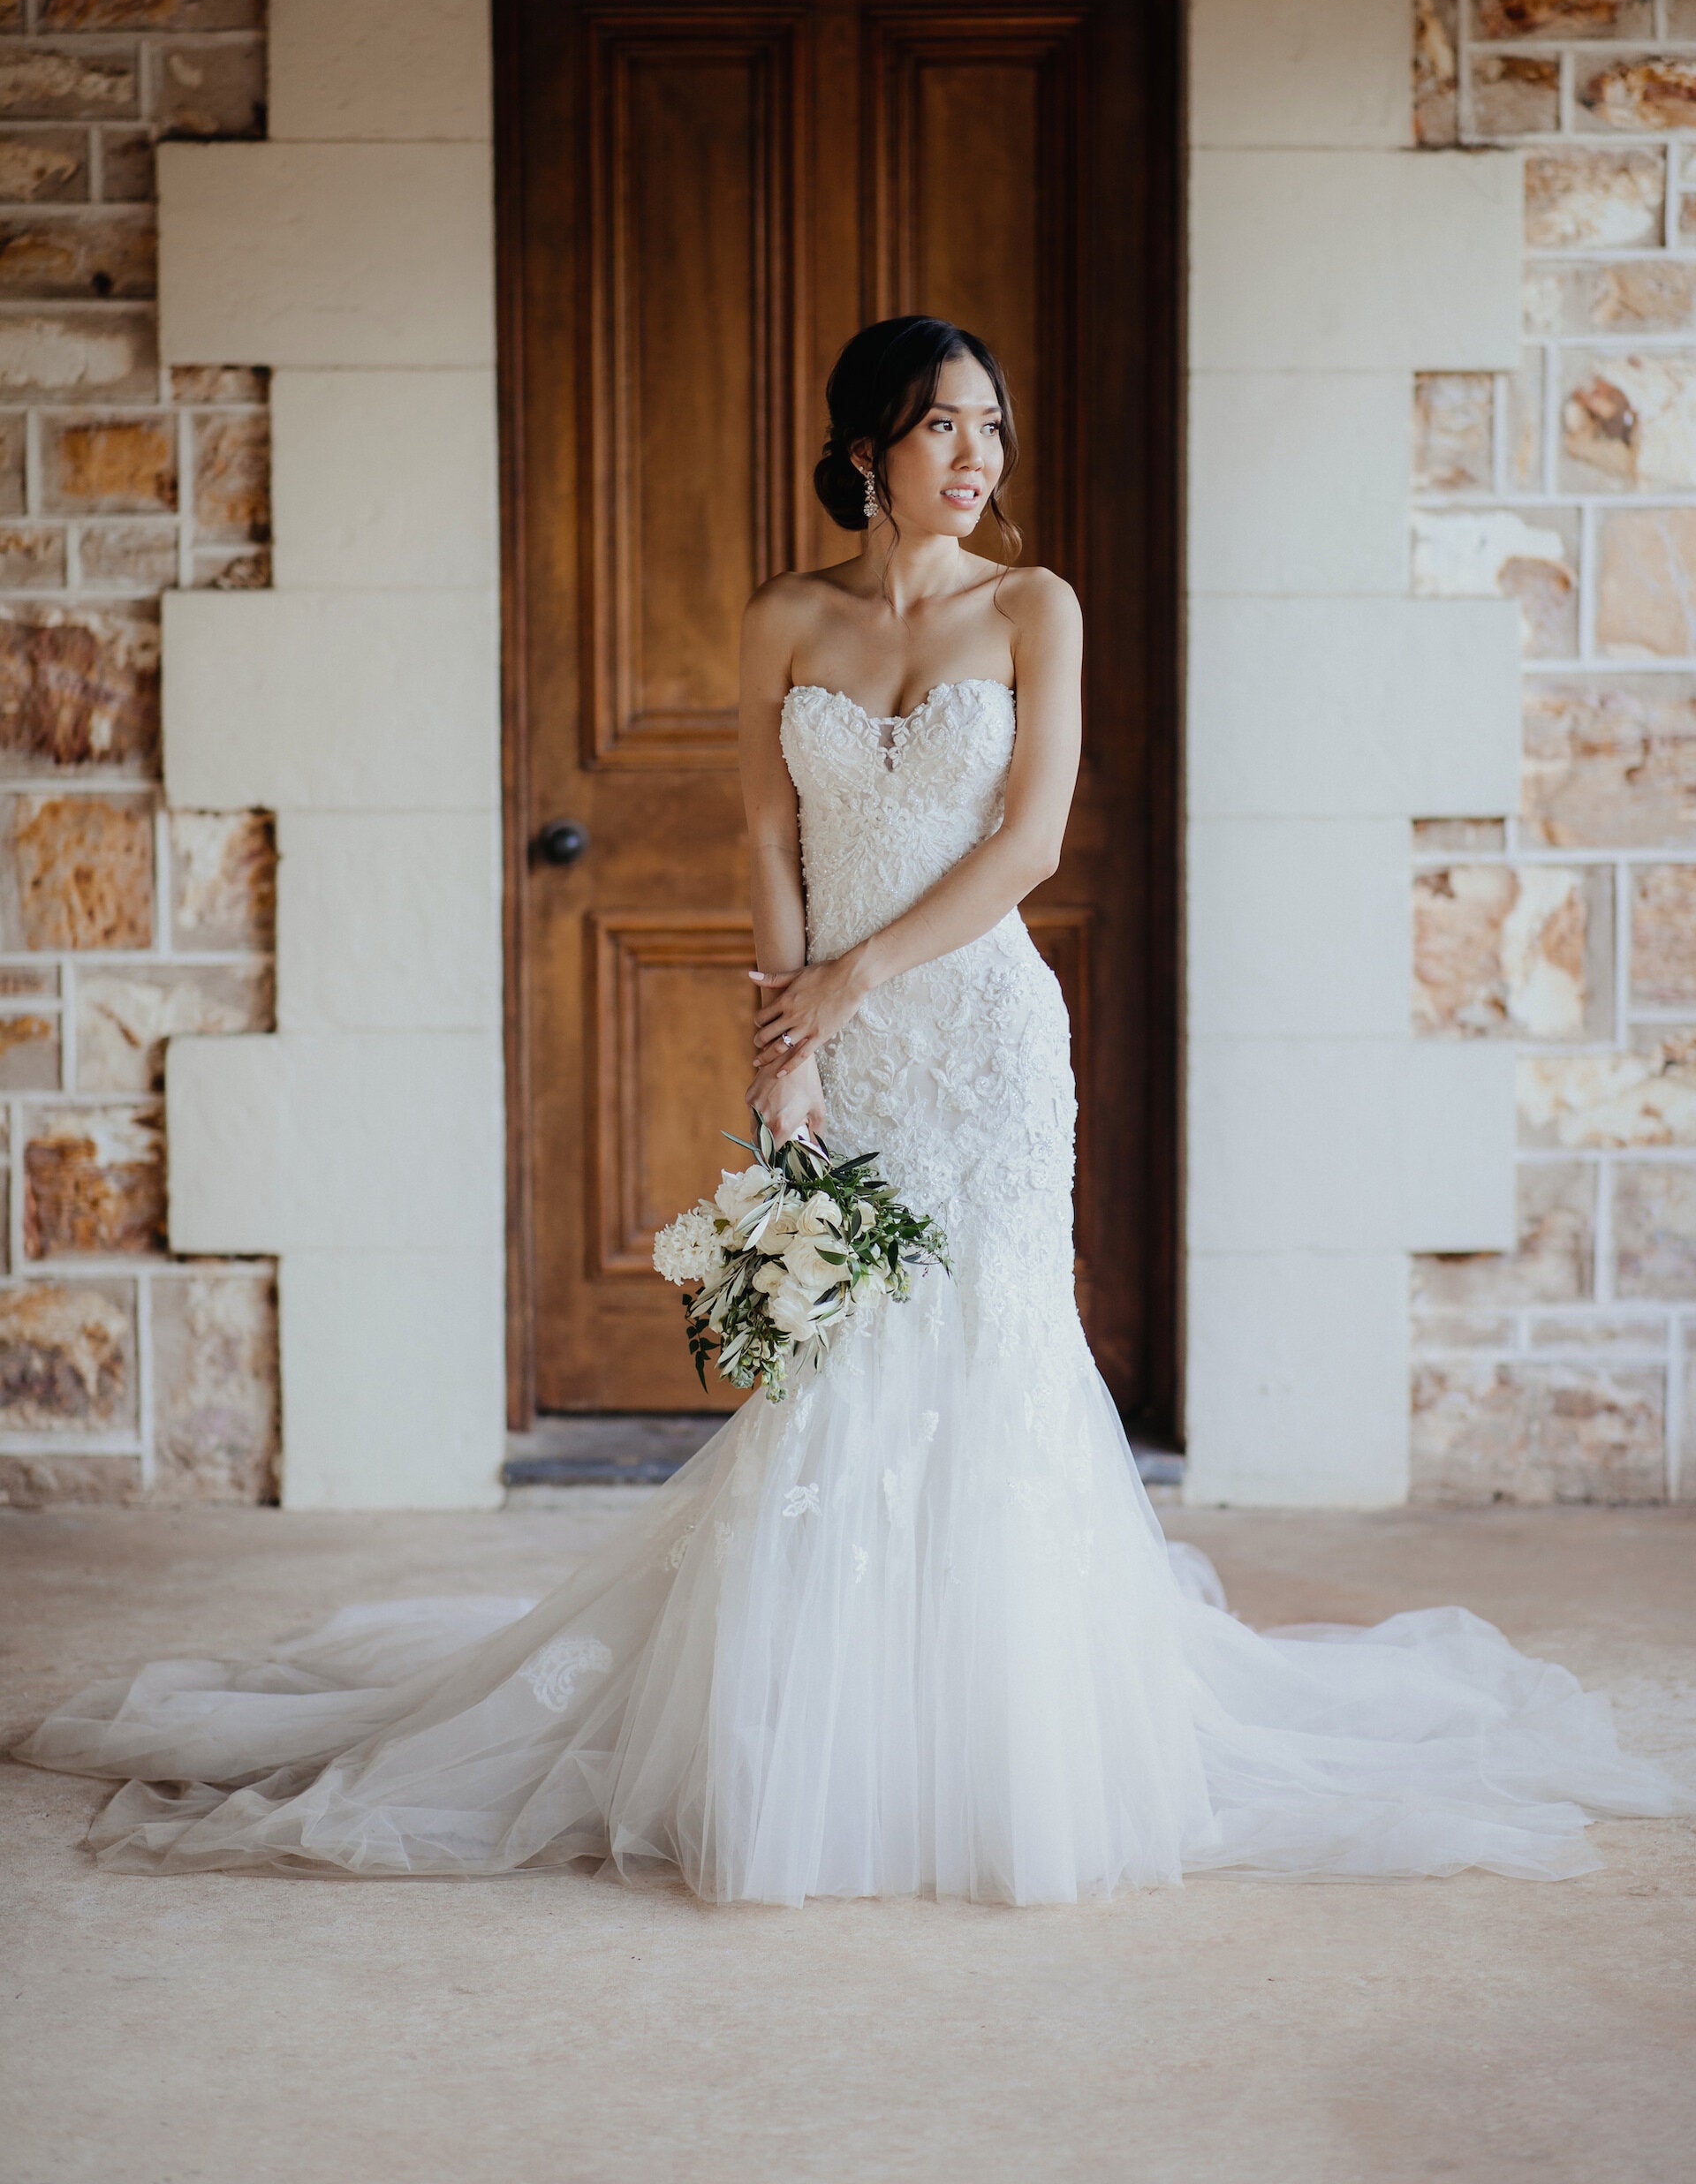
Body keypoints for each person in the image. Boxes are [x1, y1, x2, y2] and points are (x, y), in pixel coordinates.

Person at [13, 316, 1686, 1901]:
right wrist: (788, 1035)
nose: (975, 453)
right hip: (839, 1034)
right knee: (838, 1378)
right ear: (868, 447)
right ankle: (804, 1735)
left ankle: (997, 1744)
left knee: (988, 1359)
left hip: (978, 1041)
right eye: (941, 424)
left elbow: (1027, 848)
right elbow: (761, 835)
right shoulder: (785, 619)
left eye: (991, 426)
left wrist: (853, 979)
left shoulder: (1038, 608)